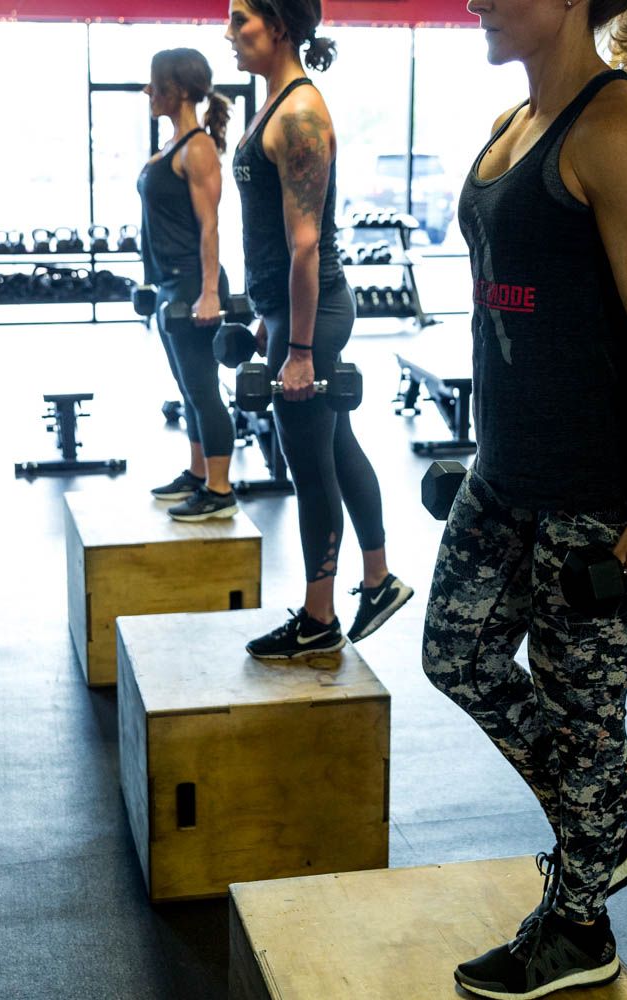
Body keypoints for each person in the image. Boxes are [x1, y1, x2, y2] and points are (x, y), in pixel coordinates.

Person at [422, 0, 627, 996]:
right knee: (456, 654)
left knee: (584, 708)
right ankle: (600, 825)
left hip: (594, 491)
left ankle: (582, 925)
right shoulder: (513, 125)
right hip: (505, 475)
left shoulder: (617, 127)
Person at [224, 0, 413, 658]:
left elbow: (306, 245)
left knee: (309, 468)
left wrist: (298, 349)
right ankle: (379, 577)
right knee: (335, 447)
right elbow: (274, 236)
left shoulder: (300, 111)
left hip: (313, 313)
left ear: (278, 25)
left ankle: (320, 618)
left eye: (240, 17)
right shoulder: (278, 103)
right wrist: (264, 315)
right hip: (292, 311)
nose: (229, 31)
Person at [138, 48, 239, 521]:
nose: (147, 91)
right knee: (187, 387)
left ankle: (220, 490)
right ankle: (199, 474)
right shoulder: (173, 145)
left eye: (154, 84)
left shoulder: (196, 148)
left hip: (193, 286)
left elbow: (210, 226)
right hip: (169, 284)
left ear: (176, 90)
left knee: (202, 388)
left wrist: (210, 292)